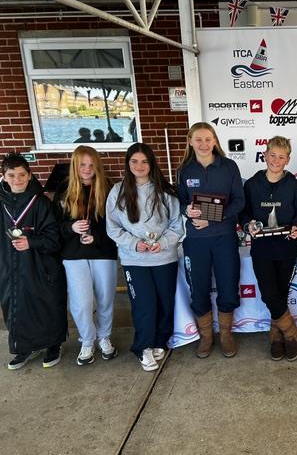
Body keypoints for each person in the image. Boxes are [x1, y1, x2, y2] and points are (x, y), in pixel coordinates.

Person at [106, 143, 183, 371]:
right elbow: (113, 228)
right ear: (128, 164)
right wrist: (134, 244)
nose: (139, 166)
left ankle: (160, 340)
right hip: (135, 260)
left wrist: (162, 243)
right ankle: (143, 346)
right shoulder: (118, 191)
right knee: (144, 304)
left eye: (144, 161)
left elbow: (177, 225)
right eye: (134, 161)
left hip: (164, 258)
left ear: (152, 164)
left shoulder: (166, 191)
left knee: (165, 303)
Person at [177, 122, 245, 359]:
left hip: (224, 237)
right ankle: (206, 336)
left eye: (208, 139)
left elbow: (239, 201)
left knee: (228, 286)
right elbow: (180, 201)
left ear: (215, 140)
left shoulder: (229, 167)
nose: (204, 144)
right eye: (199, 139)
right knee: (199, 289)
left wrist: (212, 218)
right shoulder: (185, 170)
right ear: (190, 142)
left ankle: (226, 334)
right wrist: (188, 210)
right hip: (196, 240)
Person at [0, 153, 67, 369]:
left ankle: (53, 345)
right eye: (11, 175)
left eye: (21, 175)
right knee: (16, 305)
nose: (16, 180)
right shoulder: (2, 204)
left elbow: (55, 238)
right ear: (4, 176)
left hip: (40, 264)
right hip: (10, 265)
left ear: (30, 175)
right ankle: (23, 347)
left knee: (45, 303)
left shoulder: (41, 203)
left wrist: (32, 242)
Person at [241, 136, 297, 361]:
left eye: (281, 157)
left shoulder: (295, 186)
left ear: (287, 160)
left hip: (287, 247)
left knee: (280, 293)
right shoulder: (252, 184)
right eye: (272, 155)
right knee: (269, 292)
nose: (276, 160)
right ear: (265, 155)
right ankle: (292, 332)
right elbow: (243, 211)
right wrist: (248, 223)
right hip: (262, 248)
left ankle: (276, 334)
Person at [54, 146, 119, 366]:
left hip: (103, 252)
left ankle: (104, 337)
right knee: (81, 303)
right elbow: (55, 227)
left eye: (92, 164)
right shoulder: (64, 191)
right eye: (82, 164)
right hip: (74, 254)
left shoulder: (108, 189)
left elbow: (116, 224)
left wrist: (97, 237)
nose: (87, 169)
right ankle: (88, 340)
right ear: (75, 165)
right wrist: (72, 228)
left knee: (105, 298)